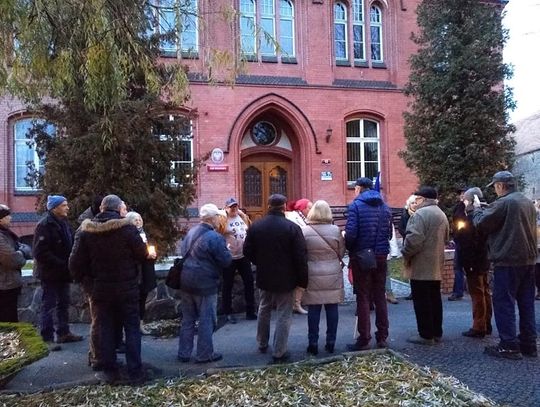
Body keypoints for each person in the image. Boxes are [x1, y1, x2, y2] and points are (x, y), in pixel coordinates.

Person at [70, 195, 154, 385]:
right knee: (131, 329)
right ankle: (135, 371)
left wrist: (88, 284)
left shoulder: (86, 231)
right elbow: (142, 253)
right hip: (127, 289)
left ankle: (109, 370)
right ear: (118, 210)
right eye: (123, 207)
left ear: (101, 208)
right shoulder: (127, 230)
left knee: (104, 328)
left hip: (100, 290)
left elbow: (74, 264)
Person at [469, 171, 537, 359]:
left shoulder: (505, 202)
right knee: (526, 303)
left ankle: (508, 345)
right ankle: (529, 344)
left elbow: (482, 224)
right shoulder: (525, 201)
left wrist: (475, 209)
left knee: (504, 303)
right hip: (529, 260)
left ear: (500, 185)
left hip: (508, 260)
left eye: (495, 187)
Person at [244, 194, 308, 363]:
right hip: (286, 277)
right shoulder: (292, 228)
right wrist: (303, 280)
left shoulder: (256, 226)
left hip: (264, 275)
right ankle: (279, 350)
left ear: (268, 206)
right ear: (284, 206)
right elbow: (300, 256)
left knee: (264, 307)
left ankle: (262, 342)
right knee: (283, 313)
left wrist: (259, 262)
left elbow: (247, 251)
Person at [177, 204, 232, 364]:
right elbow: (226, 261)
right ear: (212, 218)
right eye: (218, 217)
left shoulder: (191, 232)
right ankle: (204, 354)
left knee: (187, 319)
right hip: (205, 283)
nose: (219, 220)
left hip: (186, 281)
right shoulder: (215, 237)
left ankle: (184, 353)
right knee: (207, 320)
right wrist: (227, 249)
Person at [345, 177, 392, 351]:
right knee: (380, 296)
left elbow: (351, 234)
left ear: (358, 188)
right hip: (381, 255)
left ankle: (364, 338)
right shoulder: (384, 206)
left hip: (362, 256)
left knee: (363, 297)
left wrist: (351, 248)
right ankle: (382, 337)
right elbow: (388, 232)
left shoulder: (356, 206)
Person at [401, 186, 449, 345]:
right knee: (435, 299)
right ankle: (436, 332)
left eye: (418, 199)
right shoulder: (441, 214)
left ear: (423, 199)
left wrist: (405, 253)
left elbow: (413, 240)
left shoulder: (420, 215)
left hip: (421, 265)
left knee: (422, 301)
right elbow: (447, 237)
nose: (416, 201)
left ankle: (426, 335)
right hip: (436, 264)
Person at [33, 195, 82, 349]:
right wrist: (61, 263)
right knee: (49, 305)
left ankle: (63, 333)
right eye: (64, 205)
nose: (67, 207)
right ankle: (46, 337)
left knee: (63, 303)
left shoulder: (63, 223)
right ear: (54, 208)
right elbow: (40, 252)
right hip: (50, 274)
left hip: (63, 273)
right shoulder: (45, 225)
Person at [301, 200, 345, 355]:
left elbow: (302, 253)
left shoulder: (305, 231)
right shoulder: (335, 230)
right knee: (332, 307)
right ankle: (331, 341)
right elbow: (341, 252)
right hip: (332, 271)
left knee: (313, 308)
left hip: (312, 272)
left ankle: (312, 342)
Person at [456, 188, 492, 338]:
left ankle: (479, 326)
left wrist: (460, 209)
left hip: (474, 260)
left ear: (470, 201)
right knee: (485, 291)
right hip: (484, 259)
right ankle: (486, 323)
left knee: (477, 293)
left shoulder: (472, 218)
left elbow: (461, 235)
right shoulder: (487, 213)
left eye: (465, 200)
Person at [217, 197, 256, 324]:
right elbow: (218, 235)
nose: (234, 209)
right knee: (227, 285)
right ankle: (227, 313)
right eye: (231, 207)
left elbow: (249, 230)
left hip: (243, 256)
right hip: (229, 257)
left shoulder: (242, 217)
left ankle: (251, 311)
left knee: (249, 282)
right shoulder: (223, 219)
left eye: (235, 206)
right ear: (226, 208)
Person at [124, 211, 157, 328]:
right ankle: (132, 327)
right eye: (135, 220)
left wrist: (152, 255)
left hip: (145, 272)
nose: (138, 222)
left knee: (142, 300)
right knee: (133, 303)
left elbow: (151, 249)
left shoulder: (145, 234)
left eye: (139, 219)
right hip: (135, 274)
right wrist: (144, 256)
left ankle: (141, 324)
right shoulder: (128, 236)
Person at [0, 204, 32, 322]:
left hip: (8, 284)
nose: (11, 218)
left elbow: (23, 247)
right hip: (4, 286)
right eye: (8, 216)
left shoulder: (7, 234)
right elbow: (12, 260)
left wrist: (21, 251)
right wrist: (22, 253)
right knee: (8, 323)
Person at [285, 198, 312, 314]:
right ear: (303, 209)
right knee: (301, 277)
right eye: (309, 208)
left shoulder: (301, 217)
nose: (311, 210)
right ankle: (295, 304)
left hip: (297, 252)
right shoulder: (293, 218)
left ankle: (297, 302)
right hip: (295, 253)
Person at [448, 188, 467, 301]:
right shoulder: (459, 206)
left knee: (458, 266)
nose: (462, 196)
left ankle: (458, 291)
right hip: (459, 240)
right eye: (461, 194)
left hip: (463, 240)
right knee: (457, 266)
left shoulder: (465, 207)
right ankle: (457, 291)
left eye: (464, 193)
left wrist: (457, 234)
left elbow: (460, 223)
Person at [398, 194, 417, 301]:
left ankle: (417, 290)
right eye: (412, 203)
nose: (414, 205)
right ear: (409, 204)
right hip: (408, 243)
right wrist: (408, 235)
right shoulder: (405, 215)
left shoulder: (420, 214)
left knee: (417, 268)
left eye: (415, 203)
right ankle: (412, 291)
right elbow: (401, 228)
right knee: (410, 267)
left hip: (418, 244)